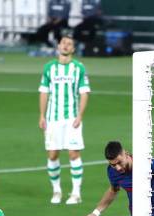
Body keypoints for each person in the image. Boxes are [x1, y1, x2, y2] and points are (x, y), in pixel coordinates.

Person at [39, 36, 90, 205]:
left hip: (71, 119)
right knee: (53, 154)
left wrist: (80, 116)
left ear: (73, 49)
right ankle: (57, 191)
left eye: (69, 44)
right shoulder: (49, 68)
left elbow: (84, 93)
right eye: (63, 43)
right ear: (58, 46)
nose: (66, 46)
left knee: (73, 153)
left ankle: (76, 193)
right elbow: (44, 92)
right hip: (52, 119)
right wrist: (42, 115)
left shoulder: (78, 68)